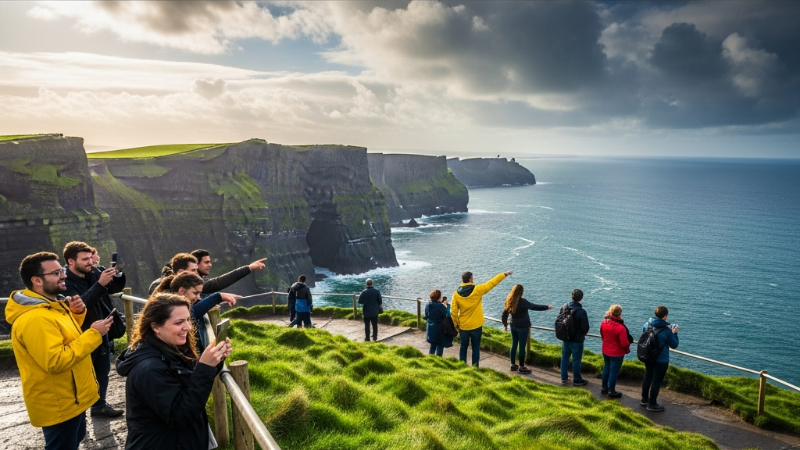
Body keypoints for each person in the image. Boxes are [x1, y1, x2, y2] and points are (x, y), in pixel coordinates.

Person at [6, 252, 113, 450]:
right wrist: (94, 335)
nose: (63, 275)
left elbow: (64, 338)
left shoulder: (52, 306)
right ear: (37, 280)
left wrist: (77, 314)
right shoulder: (35, 318)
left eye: (61, 270)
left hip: (72, 398)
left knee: (74, 440)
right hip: (60, 402)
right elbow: (55, 360)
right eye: (56, 273)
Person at [116, 293, 231, 449]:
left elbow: (188, 384)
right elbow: (180, 417)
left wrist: (214, 362)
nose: (188, 327)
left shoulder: (167, 349)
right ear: (155, 327)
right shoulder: (150, 369)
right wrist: (205, 368)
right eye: (179, 322)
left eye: (188, 320)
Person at [63, 241, 125, 418]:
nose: (90, 262)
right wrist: (99, 284)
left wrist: (116, 273)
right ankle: (79, 410)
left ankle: (99, 405)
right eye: (85, 259)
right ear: (71, 262)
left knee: (102, 371)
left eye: (91, 258)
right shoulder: (65, 282)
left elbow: (114, 288)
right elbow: (80, 305)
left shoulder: (91, 273)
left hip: (101, 330)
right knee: (82, 374)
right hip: (81, 334)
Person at [152, 272, 239, 352]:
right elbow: (193, 313)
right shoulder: (165, 306)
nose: (199, 297)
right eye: (195, 293)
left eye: (199, 294)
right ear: (181, 291)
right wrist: (218, 297)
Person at [452, 270, 513, 368]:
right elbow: (491, 283)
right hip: (476, 325)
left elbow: (453, 311)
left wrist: (456, 325)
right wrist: (504, 274)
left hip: (463, 326)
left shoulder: (456, 294)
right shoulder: (477, 289)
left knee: (463, 347)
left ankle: (462, 367)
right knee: (475, 348)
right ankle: (475, 368)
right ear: (470, 279)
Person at [501, 284, 552, 374]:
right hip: (523, 327)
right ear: (521, 292)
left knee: (514, 345)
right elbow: (534, 307)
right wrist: (547, 307)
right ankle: (522, 366)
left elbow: (504, 314)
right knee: (521, 347)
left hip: (513, 326)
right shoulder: (523, 302)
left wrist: (505, 324)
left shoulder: (509, 300)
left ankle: (513, 365)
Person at [641, 305, 679, 412]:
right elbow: (674, 345)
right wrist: (674, 334)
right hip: (661, 360)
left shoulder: (647, 325)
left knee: (648, 377)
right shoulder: (667, 331)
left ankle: (644, 399)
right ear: (665, 316)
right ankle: (652, 404)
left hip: (648, 357)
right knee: (656, 382)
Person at [190, 249, 267, 296]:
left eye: (210, 262)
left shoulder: (200, 279)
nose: (210, 265)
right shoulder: (191, 282)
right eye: (206, 262)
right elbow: (219, 282)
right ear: (196, 264)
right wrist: (249, 268)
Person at [600, 304, 633, 398]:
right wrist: (627, 350)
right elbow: (624, 343)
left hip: (605, 350)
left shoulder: (604, 322)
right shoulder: (620, 328)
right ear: (620, 313)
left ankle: (604, 388)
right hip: (617, 353)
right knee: (613, 372)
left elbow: (602, 335)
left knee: (606, 368)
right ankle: (612, 391)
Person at [559, 289, 590, 386]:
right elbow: (585, 327)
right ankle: (577, 379)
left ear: (572, 297)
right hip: (577, 340)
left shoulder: (564, 307)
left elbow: (560, 320)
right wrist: (582, 334)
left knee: (564, 357)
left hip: (566, 337)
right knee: (576, 360)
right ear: (581, 298)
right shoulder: (581, 312)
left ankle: (564, 378)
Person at [424, 289, 453, 356]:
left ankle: (430, 358)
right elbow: (448, 315)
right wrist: (447, 306)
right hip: (439, 328)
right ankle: (439, 359)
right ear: (439, 297)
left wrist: (441, 304)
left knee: (433, 344)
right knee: (440, 345)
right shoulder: (441, 306)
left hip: (430, 328)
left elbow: (426, 315)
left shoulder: (428, 305)